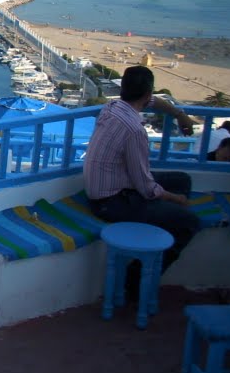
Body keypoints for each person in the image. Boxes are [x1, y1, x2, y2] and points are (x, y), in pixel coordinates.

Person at [83, 66, 201, 293]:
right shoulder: (134, 130)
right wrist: (176, 200)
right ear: (147, 94)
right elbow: (146, 187)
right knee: (189, 222)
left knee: (182, 180)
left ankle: (160, 218)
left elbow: (153, 102)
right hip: (112, 202)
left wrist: (179, 114)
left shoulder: (112, 107)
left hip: (116, 185)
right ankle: (134, 283)